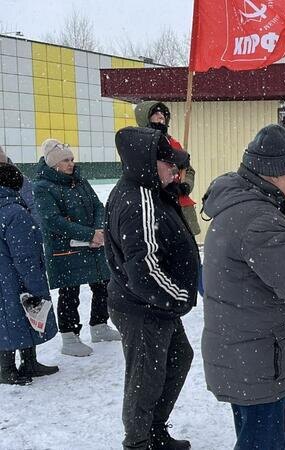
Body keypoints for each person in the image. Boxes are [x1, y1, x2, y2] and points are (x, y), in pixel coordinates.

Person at [202, 124, 285, 450]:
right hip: (261, 364)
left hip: (270, 359)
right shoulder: (257, 216)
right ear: (275, 173)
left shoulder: (256, 203)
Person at [105, 127, 199, 450]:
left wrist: (174, 184)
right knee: (145, 380)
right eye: (168, 165)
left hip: (157, 306)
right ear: (147, 162)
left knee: (177, 359)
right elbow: (143, 269)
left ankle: (155, 430)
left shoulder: (150, 190)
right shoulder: (137, 200)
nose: (174, 171)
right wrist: (178, 297)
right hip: (143, 308)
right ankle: (138, 442)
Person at [33, 139, 119, 357]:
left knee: (103, 283)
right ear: (54, 164)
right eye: (66, 160)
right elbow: (53, 220)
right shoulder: (43, 188)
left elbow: (98, 206)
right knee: (69, 291)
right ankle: (70, 337)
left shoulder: (80, 181)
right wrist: (88, 234)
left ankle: (99, 325)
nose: (71, 163)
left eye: (71, 159)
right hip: (67, 248)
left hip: (93, 244)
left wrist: (99, 231)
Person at [0, 163, 58, 385]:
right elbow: (25, 257)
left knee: (9, 321)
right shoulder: (15, 212)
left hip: (5, 278)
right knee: (19, 317)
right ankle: (9, 369)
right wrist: (35, 285)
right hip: (15, 279)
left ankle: (23, 363)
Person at [135, 101, 201, 236]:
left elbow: (188, 170)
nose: (161, 117)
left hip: (180, 205)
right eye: (156, 113)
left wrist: (185, 185)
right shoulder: (139, 144)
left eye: (163, 114)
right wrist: (172, 173)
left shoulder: (173, 143)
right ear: (145, 118)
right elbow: (146, 173)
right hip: (156, 206)